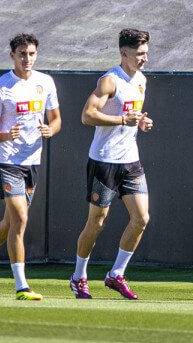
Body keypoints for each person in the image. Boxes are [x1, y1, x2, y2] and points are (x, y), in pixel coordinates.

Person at [0, 33, 60, 300]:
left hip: (32, 161)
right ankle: (21, 285)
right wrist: (7, 135)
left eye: (31, 54)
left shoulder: (45, 82)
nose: (26, 59)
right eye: (21, 54)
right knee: (21, 219)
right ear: (12, 56)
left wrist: (50, 130)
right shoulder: (0, 87)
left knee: (10, 223)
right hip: (8, 162)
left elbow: (56, 120)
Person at [70, 28, 153, 300]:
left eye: (146, 52)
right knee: (97, 221)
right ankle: (79, 276)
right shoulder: (109, 81)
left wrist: (141, 122)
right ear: (123, 53)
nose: (144, 58)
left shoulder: (141, 80)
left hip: (131, 160)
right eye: (139, 53)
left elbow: (131, 115)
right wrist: (121, 121)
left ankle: (116, 274)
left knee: (141, 218)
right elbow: (87, 115)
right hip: (104, 161)